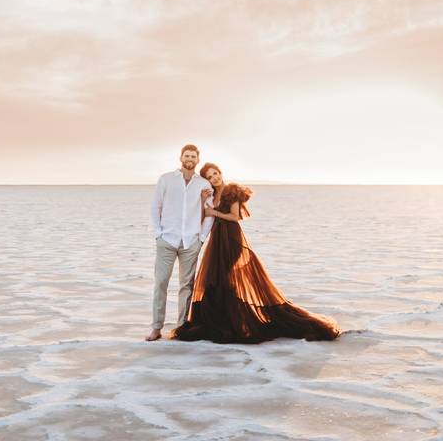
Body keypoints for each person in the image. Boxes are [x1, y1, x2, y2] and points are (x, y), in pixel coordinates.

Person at [172, 163, 340, 344]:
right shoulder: (211, 194)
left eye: (215, 174)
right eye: (210, 177)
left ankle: (238, 323)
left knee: (224, 278)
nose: (214, 178)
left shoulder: (231, 190)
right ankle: (224, 321)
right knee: (215, 280)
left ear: (220, 172)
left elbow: (235, 217)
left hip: (232, 239)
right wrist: (204, 201)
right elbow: (203, 215)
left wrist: (213, 211)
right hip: (217, 241)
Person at [145, 144, 214, 342]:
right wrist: (158, 234)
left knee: (187, 285)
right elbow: (155, 207)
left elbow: (209, 213)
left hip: (191, 241)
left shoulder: (204, 184)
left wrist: (201, 238)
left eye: (193, 156)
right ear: (181, 158)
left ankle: (181, 327)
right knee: (161, 283)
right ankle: (156, 328)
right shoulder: (166, 179)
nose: (190, 158)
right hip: (167, 239)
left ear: (197, 160)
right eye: (187, 155)